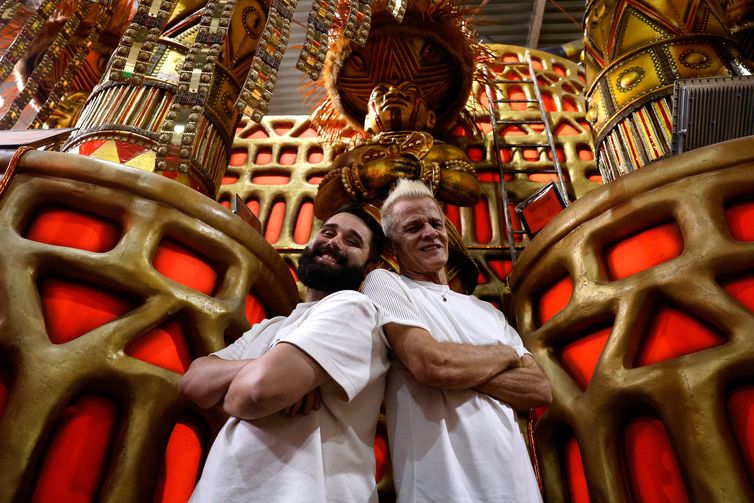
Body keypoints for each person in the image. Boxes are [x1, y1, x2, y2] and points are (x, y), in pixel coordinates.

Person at [179, 203, 389, 502]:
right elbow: (193, 384)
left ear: (369, 268)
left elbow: (253, 393)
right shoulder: (270, 326)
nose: (334, 242)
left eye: (352, 241)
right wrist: (272, 368)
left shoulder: (354, 309)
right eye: (328, 232)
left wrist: (256, 380)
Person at [362, 179, 552, 502]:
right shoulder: (385, 284)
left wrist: (459, 367)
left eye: (436, 223)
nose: (430, 233)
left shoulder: (487, 312)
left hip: (518, 489)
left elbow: (539, 389)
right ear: (392, 249)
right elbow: (431, 364)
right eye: (413, 227)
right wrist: (504, 355)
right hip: (443, 490)